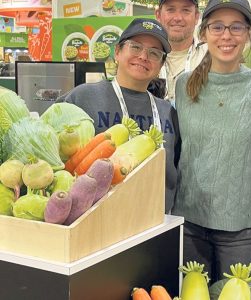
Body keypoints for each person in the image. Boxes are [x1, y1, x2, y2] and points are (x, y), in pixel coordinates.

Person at [172, 0, 251, 283]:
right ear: (204, 33)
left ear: (247, 34)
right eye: (217, 26)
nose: (226, 35)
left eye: (236, 27)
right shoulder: (184, 84)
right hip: (189, 222)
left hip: (240, 230)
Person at [59, 18, 180, 213]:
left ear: (160, 65)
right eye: (135, 47)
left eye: (154, 53)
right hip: (96, 222)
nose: (143, 56)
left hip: (158, 223)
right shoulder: (82, 98)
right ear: (117, 52)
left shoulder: (168, 112)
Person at [155, 0, 207, 102]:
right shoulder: (144, 57)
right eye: (171, 10)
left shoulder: (211, 57)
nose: (178, 18)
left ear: (196, 17)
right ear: (158, 15)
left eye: (185, 10)